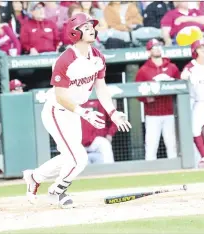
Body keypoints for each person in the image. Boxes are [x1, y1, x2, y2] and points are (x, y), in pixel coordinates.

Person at [23, 13, 131, 209]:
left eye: (92, 25)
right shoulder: (65, 60)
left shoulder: (98, 56)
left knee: (69, 157)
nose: (91, 28)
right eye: (85, 26)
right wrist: (84, 113)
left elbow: (101, 88)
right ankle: (56, 192)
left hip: (75, 112)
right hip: (57, 110)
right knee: (79, 158)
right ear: (74, 32)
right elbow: (61, 96)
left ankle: (34, 177)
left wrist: (113, 113)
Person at [135, 39, 180, 161]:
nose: (157, 49)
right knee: (151, 145)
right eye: (153, 47)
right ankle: (150, 172)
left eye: (158, 46)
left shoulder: (172, 67)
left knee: (172, 144)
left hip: (170, 112)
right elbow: (136, 91)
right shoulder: (143, 70)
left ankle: (175, 172)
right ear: (148, 52)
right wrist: (146, 98)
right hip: (152, 114)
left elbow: (180, 87)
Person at [181, 39, 204, 168]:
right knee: (194, 130)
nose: (203, 50)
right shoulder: (191, 65)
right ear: (195, 51)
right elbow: (183, 76)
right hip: (200, 102)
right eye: (200, 48)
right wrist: (189, 74)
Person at [81, 100, 118, 164]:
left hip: (97, 142)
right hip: (78, 143)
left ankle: (110, 172)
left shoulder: (100, 99)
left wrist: (110, 134)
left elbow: (115, 119)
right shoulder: (73, 100)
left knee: (104, 144)